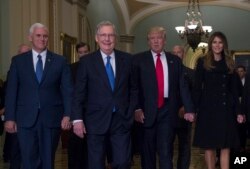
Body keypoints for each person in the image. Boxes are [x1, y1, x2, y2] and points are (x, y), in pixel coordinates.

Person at [4, 23, 72, 169]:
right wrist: (9, 117)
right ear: (30, 37)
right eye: (38, 35)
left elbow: (67, 91)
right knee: (28, 161)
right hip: (25, 119)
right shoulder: (18, 61)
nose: (42, 39)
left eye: (45, 36)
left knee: (48, 161)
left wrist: (67, 114)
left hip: (51, 118)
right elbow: (12, 91)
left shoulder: (60, 61)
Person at [71, 21, 137, 169]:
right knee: (95, 164)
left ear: (116, 38)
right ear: (96, 38)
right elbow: (79, 93)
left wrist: (130, 112)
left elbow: (134, 89)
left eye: (110, 35)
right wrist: (77, 119)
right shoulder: (87, 62)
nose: (107, 39)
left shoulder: (127, 59)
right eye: (103, 35)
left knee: (122, 162)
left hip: (121, 119)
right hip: (95, 120)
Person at [133, 26, 195, 169]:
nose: (156, 41)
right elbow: (134, 87)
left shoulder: (175, 61)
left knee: (166, 152)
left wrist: (189, 109)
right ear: (148, 41)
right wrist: (136, 108)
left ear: (165, 41)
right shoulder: (138, 60)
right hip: (146, 113)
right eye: (152, 38)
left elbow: (182, 86)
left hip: (168, 111)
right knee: (147, 154)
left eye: (159, 38)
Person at [192, 31, 245, 169]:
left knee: (225, 146)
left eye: (220, 42)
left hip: (226, 109)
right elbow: (197, 88)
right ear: (210, 44)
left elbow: (234, 91)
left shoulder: (230, 63)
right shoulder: (203, 62)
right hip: (207, 109)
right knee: (209, 147)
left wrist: (239, 112)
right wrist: (193, 110)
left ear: (224, 45)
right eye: (214, 42)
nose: (217, 45)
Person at [3, 44, 31, 169]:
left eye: (27, 53)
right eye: (21, 53)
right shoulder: (13, 71)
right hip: (17, 117)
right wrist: (9, 117)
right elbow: (10, 95)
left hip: (34, 117)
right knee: (15, 150)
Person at [172, 45, 194, 169]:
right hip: (167, 116)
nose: (176, 55)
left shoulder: (191, 73)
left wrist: (188, 107)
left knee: (185, 147)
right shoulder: (164, 72)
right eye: (173, 52)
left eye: (178, 52)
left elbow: (194, 94)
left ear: (183, 54)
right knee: (166, 147)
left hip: (185, 116)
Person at [68, 42, 90, 169]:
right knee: (75, 145)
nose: (83, 55)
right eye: (80, 52)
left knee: (90, 146)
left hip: (92, 112)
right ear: (77, 53)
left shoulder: (95, 66)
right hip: (76, 113)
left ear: (89, 52)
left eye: (85, 52)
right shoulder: (71, 68)